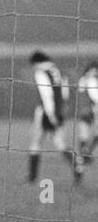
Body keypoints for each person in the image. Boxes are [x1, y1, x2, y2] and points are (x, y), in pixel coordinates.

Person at [26, 50, 82, 185]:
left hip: (46, 112)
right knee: (59, 142)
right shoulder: (58, 71)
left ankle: (32, 178)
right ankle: (78, 166)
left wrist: (50, 114)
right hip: (59, 111)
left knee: (35, 142)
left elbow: (46, 94)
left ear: (36, 63)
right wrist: (60, 111)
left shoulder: (41, 72)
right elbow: (65, 92)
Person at [74, 62, 98, 169]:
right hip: (91, 110)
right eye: (94, 70)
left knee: (84, 135)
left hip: (82, 110)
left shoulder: (82, 80)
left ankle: (81, 158)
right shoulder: (91, 80)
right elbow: (95, 97)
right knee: (94, 134)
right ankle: (86, 154)